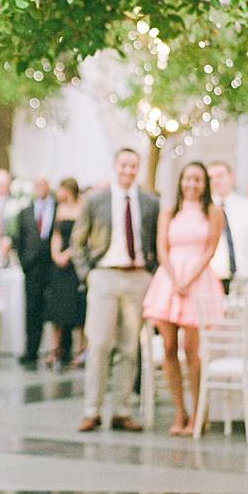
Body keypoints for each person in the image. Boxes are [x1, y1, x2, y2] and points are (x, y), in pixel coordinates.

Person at [73, 148, 160, 433]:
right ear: (115, 166)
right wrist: (87, 274)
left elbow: (156, 241)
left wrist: (151, 272)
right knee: (98, 344)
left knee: (129, 347)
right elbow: (78, 241)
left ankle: (122, 410)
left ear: (138, 169)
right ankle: (92, 410)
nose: (128, 170)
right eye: (123, 165)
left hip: (137, 277)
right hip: (104, 276)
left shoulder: (150, 202)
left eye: (133, 166)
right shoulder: (95, 201)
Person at [142, 162, 225, 435]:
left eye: (198, 180)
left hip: (198, 280)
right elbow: (161, 248)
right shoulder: (168, 212)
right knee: (168, 347)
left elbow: (211, 248)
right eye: (188, 179)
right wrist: (175, 279)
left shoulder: (213, 211)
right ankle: (180, 411)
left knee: (191, 349)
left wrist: (189, 280)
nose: (192, 184)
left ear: (205, 184)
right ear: (180, 182)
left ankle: (200, 412)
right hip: (169, 280)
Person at [206, 163, 248, 293]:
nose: (215, 181)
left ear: (231, 178)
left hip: (245, 283)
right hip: (212, 283)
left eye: (220, 176)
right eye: (210, 178)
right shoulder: (204, 211)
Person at [14, 178, 58, 371]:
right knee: (32, 310)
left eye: (43, 185)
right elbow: (19, 240)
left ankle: (59, 350)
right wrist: (24, 263)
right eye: (37, 185)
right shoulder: (25, 212)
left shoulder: (58, 208)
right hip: (32, 267)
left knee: (57, 308)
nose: (40, 189)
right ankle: (31, 350)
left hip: (53, 265)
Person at [46, 179, 87, 369]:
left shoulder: (82, 207)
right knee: (58, 305)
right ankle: (56, 348)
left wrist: (68, 254)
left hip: (75, 263)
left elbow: (84, 237)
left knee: (76, 308)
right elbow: (56, 234)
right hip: (59, 265)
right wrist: (56, 254)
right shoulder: (60, 208)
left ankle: (81, 350)